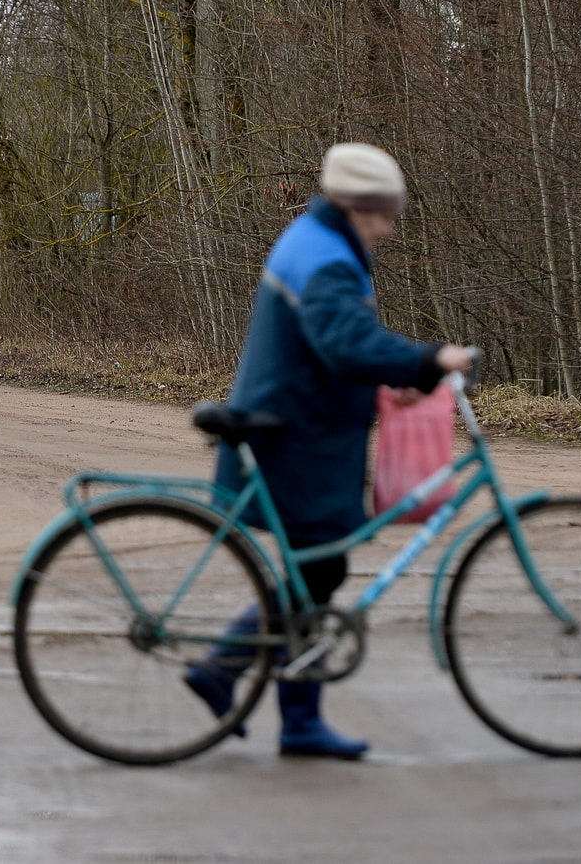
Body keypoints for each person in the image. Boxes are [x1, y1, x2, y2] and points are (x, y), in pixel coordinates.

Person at [184, 143, 475, 759]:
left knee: (316, 571)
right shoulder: (326, 258)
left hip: (299, 430)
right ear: (356, 207)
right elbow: (345, 343)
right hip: (294, 437)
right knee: (317, 570)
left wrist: (389, 377)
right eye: (384, 214)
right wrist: (428, 359)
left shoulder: (317, 240)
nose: (389, 227)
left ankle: (268, 700)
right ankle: (247, 688)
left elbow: (331, 345)